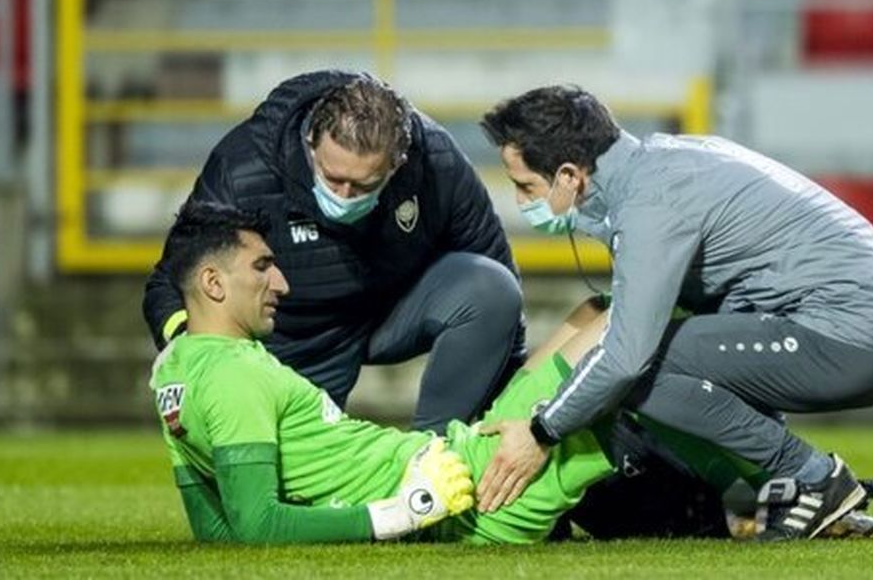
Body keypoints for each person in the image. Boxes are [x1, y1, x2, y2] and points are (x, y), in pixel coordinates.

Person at [474, 85, 873, 541]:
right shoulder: (669, 161)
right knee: (669, 349)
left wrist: (541, 432)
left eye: (525, 185)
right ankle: (787, 493)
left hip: (858, 337)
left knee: (638, 368)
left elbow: (626, 356)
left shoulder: (650, 204)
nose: (519, 200)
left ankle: (813, 480)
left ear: (570, 176)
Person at [148, 200, 616, 545]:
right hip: (479, 492)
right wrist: (401, 514)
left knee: (600, 310)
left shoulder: (173, 368)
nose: (282, 284)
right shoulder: (235, 376)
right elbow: (256, 527)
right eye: (263, 267)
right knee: (634, 345)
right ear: (213, 282)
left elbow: (214, 529)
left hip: (452, 455)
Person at [143, 70, 525, 433]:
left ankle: (435, 458)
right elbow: (171, 278)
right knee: (290, 494)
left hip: (386, 313)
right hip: (282, 339)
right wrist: (194, 353)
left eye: (362, 185)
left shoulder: (437, 163)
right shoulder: (243, 168)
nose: (343, 196)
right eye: (333, 178)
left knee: (491, 287)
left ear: (398, 164)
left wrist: (515, 409)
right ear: (311, 141)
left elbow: (495, 272)